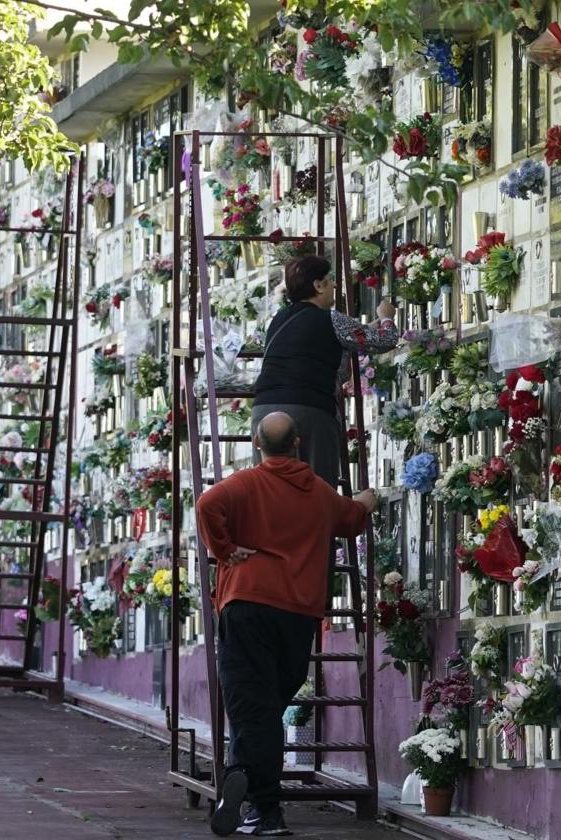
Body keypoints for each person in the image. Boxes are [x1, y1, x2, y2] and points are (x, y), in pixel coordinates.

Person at [197, 411, 377, 837]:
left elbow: (206, 504)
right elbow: (352, 518)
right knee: (269, 705)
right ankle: (257, 798)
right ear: (298, 443)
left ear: (258, 444)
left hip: (246, 602)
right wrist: (370, 498)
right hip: (297, 611)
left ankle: (252, 789)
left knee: (251, 706)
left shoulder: (244, 483)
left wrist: (223, 550)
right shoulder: (318, 490)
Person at [252, 255, 399, 487]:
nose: (335, 285)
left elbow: (344, 340)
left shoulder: (279, 320)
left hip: (264, 410)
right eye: (329, 280)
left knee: (269, 487)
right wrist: (387, 317)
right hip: (308, 410)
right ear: (318, 286)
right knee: (315, 488)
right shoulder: (330, 319)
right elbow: (385, 340)